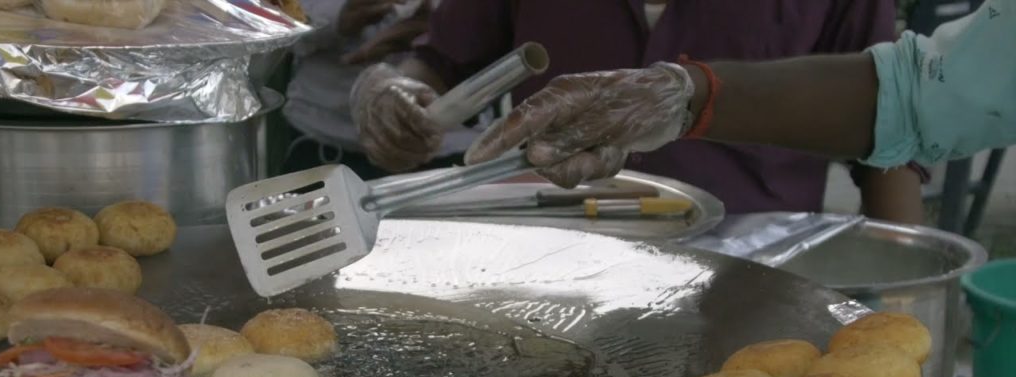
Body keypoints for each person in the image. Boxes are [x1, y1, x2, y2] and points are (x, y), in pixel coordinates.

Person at [350, 0, 926, 222]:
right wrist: (398, 93)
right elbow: (440, 59)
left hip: (750, 270)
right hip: (548, 249)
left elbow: (886, 134)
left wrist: (908, 307)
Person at [464, 0, 1014, 194]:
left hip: (747, 267)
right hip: (548, 244)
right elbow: (910, 95)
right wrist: (678, 96)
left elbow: (906, 121)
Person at [280, 0, 482, 179]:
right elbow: (266, 19)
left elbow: (501, 21)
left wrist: (444, 28)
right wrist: (335, 15)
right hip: (326, 143)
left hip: (447, 147)